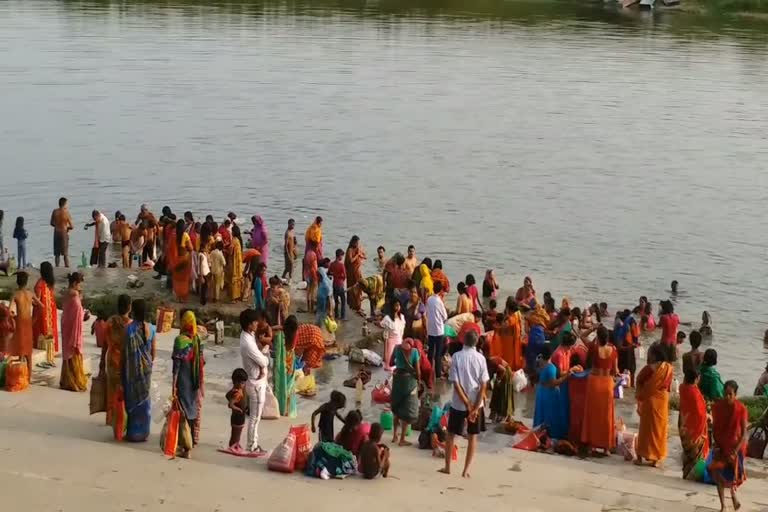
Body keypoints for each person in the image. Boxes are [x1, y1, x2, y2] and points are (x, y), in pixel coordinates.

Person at [441, 331, 489, 478]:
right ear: (476, 342)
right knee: (472, 436)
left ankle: (448, 467)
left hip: (458, 403)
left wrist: (467, 404)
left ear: (463, 341)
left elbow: (456, 384)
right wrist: (474, 407)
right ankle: (465, 470)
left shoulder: (456, 357)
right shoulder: (481, 358)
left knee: (451, 434)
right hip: (476, 403)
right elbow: (483, 385)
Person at [710, 380, 748, 512]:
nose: (727, 397)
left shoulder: (741, 409)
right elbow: (714, 429)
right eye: (725, 394)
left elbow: (743, 434)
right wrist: (716, 444)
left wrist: (735, 451)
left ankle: (733, 495)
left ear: (735, 394)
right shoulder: (719, 407)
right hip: (721, 447)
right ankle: (723, 506)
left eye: (730, 394)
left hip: (735, 448)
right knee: (716, 472)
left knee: (733, 477)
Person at [122, 298, 156, 442]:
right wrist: (146, 364)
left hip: (132, 371)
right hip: (146, 370)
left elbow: (124, 353)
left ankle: (132, 432)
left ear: (133, 312)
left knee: (132, 400)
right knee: (144, 400)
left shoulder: (128, 329)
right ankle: (144, 432)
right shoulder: (152, 329)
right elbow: (153, 353)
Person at [635, 344, 673, 468]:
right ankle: (656, 458)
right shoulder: (668, 368)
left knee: (645, 431)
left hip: (650, 402)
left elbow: (639, 380)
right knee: (659, 431)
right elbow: (668, 387)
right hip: (662, 402)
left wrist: (641, 396)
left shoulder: (649, 368)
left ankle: (640, 456)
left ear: (654, 355)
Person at [172, 311, 205, 457]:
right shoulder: (198, 340)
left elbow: (176, 367)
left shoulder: (180, 340)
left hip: (183, 381)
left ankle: (185, 447)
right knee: (192, 411)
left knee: (183, 412)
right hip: (195, 381)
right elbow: (202, 362)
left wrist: (173, 385)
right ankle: (190, 440)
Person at [581, 326, 617, 454]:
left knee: (593, 415)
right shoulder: (613, 350)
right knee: (606, 416)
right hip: (607, 383)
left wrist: (592, 328)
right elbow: (615, 371)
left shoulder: (594, 347)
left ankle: (591, 444)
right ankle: (606, 447)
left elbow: (582, 336)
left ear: (598, 336)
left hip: (594, 382)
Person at [239, 308, 268, 455]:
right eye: (255, 321)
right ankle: (252, 445)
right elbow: (262, 360)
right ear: (249, 324)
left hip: (256, 379)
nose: (257, 324)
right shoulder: (247, 343)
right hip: (255, 382)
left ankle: (254, 443)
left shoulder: (248, 336)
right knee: (255, 417)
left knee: (256, 416)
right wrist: (265, 359)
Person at [533, 345, 571, 440]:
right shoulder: (551, 368)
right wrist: (567, 376)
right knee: (550, 414)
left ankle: (540, 431)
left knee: (541, 413)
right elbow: (553, 383)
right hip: (549, 394)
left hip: (541, 391)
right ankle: (550, 433)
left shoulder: (540, 362)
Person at [678, 369, 710, 481]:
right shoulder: (694, 393)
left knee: (687, 454)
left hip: (684, 426)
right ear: (696, 379)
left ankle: (686, 473)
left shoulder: (682, 388)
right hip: (695, 430)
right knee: (695, 454)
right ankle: (692, 475)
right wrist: (707, 417)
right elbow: (700, 414)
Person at [106, 294, 132, 427]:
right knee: (124, 391)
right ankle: (121, 418)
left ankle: (110, 418)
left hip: (111, 359)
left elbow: (105, 343)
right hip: (124, 361)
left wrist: (101, 362)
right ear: (129, 307)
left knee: (111, 389)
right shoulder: (130, 325)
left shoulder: (110, 321)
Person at [59, 272, 88, 392]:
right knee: (73, 351)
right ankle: (74, 380)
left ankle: (67, 380)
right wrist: (83, 315)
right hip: (72, 327)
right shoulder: (74, 294)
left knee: (68, 351)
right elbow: (76, 310)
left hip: (66, 324)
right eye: (79, 284)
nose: (80, 287)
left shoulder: (67, 293)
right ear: (75, 283)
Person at [391, 337, 421, 445]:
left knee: (397, 407)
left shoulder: (396, 348)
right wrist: (419, 381)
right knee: (407, 409)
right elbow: (417, 372)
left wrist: (399, 362)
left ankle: (394, 435)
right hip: (408, 381)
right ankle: (402, 439)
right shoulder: (414, 352)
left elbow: (390, 363)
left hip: (397, 380)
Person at [9, 272, 38, 377]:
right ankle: (29, 378)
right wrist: (34, 318)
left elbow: (9, 311)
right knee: (28, 352)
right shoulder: (30, 294)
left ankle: (21, 378)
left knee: (21, 350)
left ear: (17, 282)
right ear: (26, 282)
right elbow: (41, 306)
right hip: (29, 322)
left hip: (20, 323)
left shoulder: (16, 294)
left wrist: (13, 318)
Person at [33, 261, 59, 367]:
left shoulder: (39, 284)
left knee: (41, 328)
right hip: (51, 308)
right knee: (50, 329)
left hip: (42, 309)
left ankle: (43, 349)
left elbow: (38, 300)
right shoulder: (51, 282)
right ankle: (51, 351)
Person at [489, 298, 524, 371]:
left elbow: (502, 327)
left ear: (508, 308)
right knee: (514, 360)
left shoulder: (511, 319)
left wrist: (495, 326)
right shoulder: (518, 314)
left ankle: (508, 373)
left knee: (508, 362)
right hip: (515, 341)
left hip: (509, 344)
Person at [426, 281, 448, 379]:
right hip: (438, 330)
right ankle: (438, 374)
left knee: (430, 352)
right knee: (438, 353)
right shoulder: (439, 301)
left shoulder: (429, 299)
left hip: (430, 329)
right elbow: (445, 316)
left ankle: (429, 371)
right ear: (440, 291)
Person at [226, 368, 249, 452]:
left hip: (239, 416)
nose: (241, 385)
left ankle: (235, 445)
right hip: (237, 416)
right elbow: (230, 405)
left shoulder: (239, 390)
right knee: (235, 434)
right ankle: (232, 447)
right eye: (239, 382)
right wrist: (238, 409)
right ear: (234, 382)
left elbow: (227, 395)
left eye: (243, 383)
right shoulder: (237, 393)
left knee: (237, 434)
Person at [170, 219, 194, 302]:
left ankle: (178, 297)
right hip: (184, 259)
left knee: (177, 279)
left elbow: (170, 248)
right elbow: (191, 248)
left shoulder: (173, 235)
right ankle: (183, 298)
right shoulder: (185, 235)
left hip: (176, 259)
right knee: (184, 279)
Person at [381, 301, 406, 372]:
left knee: (398, 367)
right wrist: (385, 353)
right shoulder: (387, 319)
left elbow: (402, 333)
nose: (398, 307)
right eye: (396, 305)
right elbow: (385, 336)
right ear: (392, 306)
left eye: (399, 305)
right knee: (390, 367)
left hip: (399, 343)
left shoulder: (402, 317)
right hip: (391, 344)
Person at [50, 197, 74, 267]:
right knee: (65, 254)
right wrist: (67, 228)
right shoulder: (66, 212)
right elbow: (72, 226)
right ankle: (67, 267)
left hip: (56, 233)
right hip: (64, 233)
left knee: (57, 254)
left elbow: (51, 223)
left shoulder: (54, 211)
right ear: (65, 204)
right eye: (67, 204)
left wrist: (57, 225)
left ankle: (57, 267)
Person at [344, 236, 365, 312]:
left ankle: (358, 305)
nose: (358, 244)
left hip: (357, 271)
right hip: (351, 272)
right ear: (353, 242)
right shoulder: (350, 250)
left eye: (358, 242)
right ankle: (352, 305)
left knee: (359, 287)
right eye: (357, 242)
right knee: (353, 287)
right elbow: (350, 261)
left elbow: (364, 256)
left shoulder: (358, 248)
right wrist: (357, 255)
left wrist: (361, 254)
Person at [329, 249, 347, 320]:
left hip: (334, 284)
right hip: (340, 284)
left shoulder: (332, 264)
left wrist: (335, 275)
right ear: (339, 256)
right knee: (343, 300)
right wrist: (342, 279)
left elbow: (329, 272)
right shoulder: (341, 265)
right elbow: (345, 276)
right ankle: (343, 316)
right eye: (342, 256)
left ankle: (336, 314)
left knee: (336, 300)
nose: (342, 257)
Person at [315, 259, 333, 325]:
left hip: (323, 306)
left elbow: (329, 299)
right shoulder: (323, 283)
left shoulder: (325, 285)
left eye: (317, 275)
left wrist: (330, 311)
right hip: (321, 304)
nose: (316, 277)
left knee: (321, 316)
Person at [303, 240, 319, 313]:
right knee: (312, 292)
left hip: (307, 273)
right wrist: (316, 276)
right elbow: (314, 267)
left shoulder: (308, 253)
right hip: (312, 274)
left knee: (308, 291)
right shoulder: (313, 254)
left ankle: (308, 307)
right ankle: (311, 309)